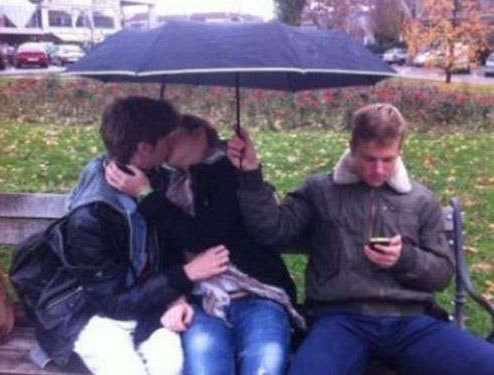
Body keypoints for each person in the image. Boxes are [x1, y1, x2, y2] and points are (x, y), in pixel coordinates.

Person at [226, 103, 494, 375]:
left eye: (388, 159)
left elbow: (441, 274)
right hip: (340, 320)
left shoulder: (420, 200)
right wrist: (249, 172)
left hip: (410, 320)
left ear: (400, 149)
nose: (379, 170)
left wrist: (405, 258)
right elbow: (273, 231)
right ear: (353, 147)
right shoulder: (320, 191)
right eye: (369, 159)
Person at [32, 96, 230, 375]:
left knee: (171, 366)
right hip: (91, 312)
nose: (173, 142)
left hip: (146, 302)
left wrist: (176, 298)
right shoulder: (90, 216)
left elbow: (171, 243)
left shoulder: (156, 179)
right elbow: (112, 303)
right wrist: (186, 274)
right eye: (167, 138)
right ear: (145, 147)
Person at [106, 113, 303, 375]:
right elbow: (164, 250)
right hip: (201, 301)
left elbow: (204, 237)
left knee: (264, 367)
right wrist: (175, 299)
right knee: (205, 368)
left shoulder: (228, 171)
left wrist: (146, 195)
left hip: (257, 297)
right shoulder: (168, 183)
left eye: (172, 137)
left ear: (198, 133)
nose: (165, 144)